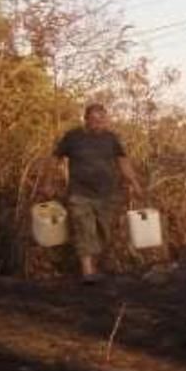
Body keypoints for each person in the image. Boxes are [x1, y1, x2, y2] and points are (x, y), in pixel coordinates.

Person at [47, 103, 142, 284]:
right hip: (80, 193)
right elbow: (55, 158)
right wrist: (49, 181)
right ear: (86, 119)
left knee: (104, 232)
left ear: (106, 120)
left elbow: (123, 162)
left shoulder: (112, 139)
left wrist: (134, 182)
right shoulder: (73, 137)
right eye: (94, 119)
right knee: (84, 230)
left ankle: (95, 267)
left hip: (107, 194)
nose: (99, 123)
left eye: (102, 119)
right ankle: (88, 272)